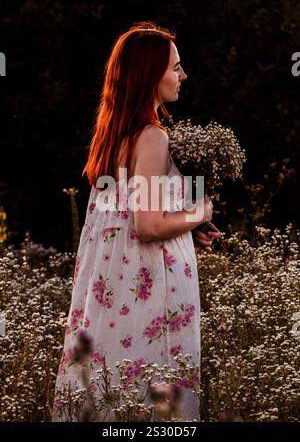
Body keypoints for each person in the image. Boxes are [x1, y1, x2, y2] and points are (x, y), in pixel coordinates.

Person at [52, 22, 220, 422]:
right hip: (151, 295)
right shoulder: (152, 137)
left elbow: (127, 219)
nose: (183, 75)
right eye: (175, 67)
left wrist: (186, 229)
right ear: (149, 74)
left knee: (113, 388)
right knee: (155, 400)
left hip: (118, 289)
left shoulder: (113, 135)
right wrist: (203, 210)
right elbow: (147, 226)